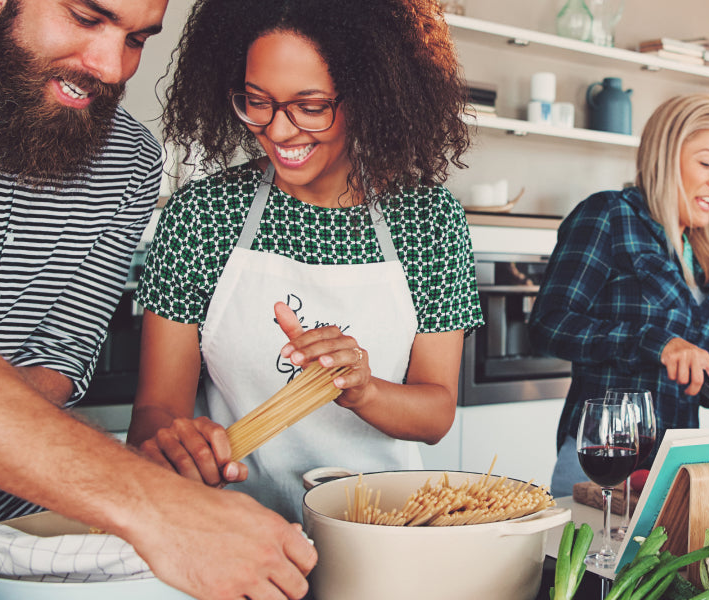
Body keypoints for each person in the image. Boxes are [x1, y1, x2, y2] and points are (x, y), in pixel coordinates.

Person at [0, 0, 322, 598]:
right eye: (85, 18)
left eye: (137, 39)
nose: (110, 67)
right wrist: (164, 510)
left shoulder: (129, 160)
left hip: (27, 553)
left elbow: (60, 357)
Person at [125, 0, 481, 524]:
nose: (279, 130)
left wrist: (363, 386)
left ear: (368, 94)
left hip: (378, 529)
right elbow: (155, 410)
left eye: (310, 106)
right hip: (234, 527)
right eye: (256, 101)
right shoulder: (202, 216)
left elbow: (435, 413)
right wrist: (175, 447)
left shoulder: (429, 222)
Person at [529, 94, 709, 497]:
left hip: (676, 466)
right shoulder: (608, 216)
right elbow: (549, 325)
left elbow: (700, 373)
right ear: (664, 156)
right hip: (605, 460)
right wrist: (657, 343)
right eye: (706, 163)